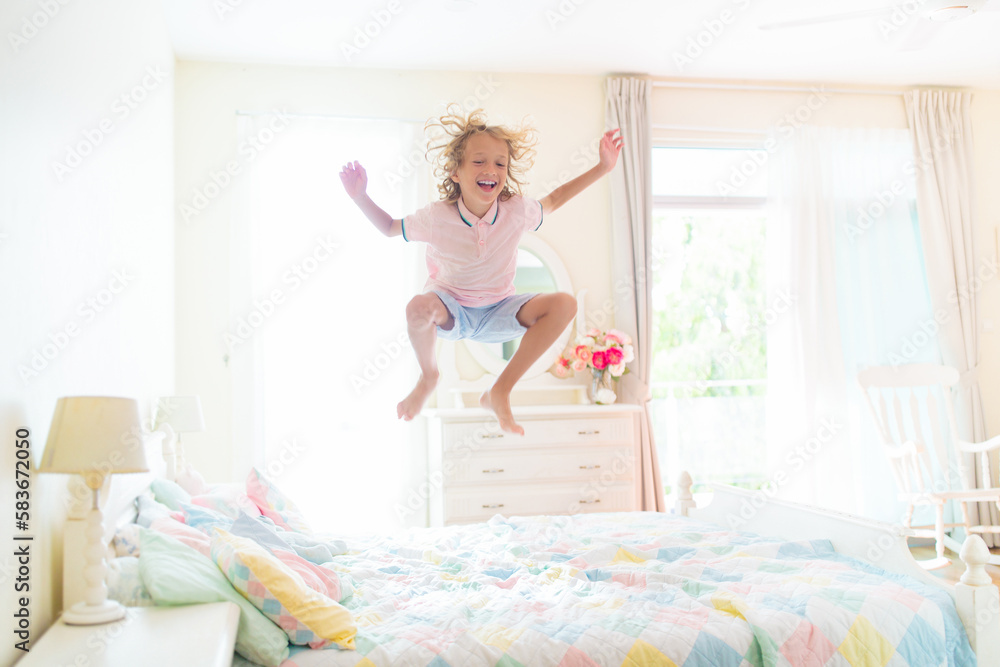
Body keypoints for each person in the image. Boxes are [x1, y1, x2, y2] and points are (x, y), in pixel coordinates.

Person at [340, 106, 622, 435]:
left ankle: (499, 392)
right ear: (456, 172)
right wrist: (360, 197)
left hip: (500, 310)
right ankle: (429, 376)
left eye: (500, 163)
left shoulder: (516, 211)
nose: (491, 169)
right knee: (417, 307)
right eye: (479, 161)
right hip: (451, 308)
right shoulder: (437, 216)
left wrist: (603, 167)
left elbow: (555, 199)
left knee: (565, 304)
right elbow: (389, 226)